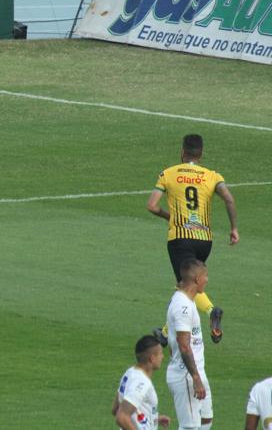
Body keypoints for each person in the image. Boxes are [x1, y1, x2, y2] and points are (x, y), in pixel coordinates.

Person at [147, 134, 238, 343]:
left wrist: (169, 216)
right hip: (204, 240)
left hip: (180, 238)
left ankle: (212, 311)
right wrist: (234, 228)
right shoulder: (212, 176)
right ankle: (165, 332)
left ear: (182, 152)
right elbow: (229, 199)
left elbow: (151, 205)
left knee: (187, 286)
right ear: (201, 154)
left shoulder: (168, 174)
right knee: (185, 286)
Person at [165, 259, 213, 430]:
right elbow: (183, 346)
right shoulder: (182, 306)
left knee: (206, 419)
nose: (207, 280)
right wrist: (195, 378)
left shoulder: (187, 300)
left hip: (196, 371)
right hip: (187, 375)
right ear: (197, 279)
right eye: (205, 276)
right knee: (190, 427)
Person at [112, 334, 170, 429]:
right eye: (160, 353)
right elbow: (121, 417)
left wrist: (154, 419)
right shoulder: (142, 383)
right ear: (152, 358)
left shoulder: (129, 372)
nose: (162, 357)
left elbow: (115, 409)